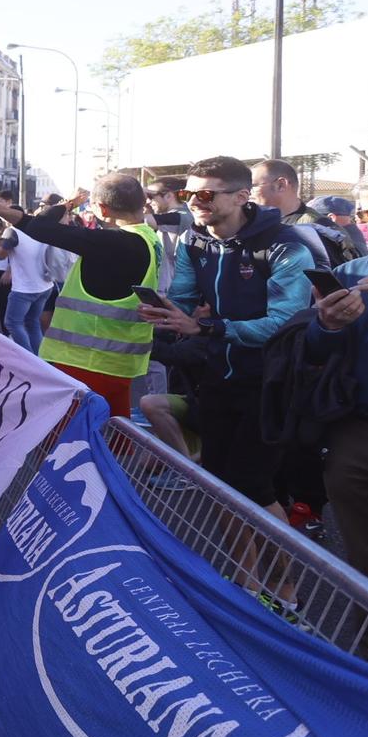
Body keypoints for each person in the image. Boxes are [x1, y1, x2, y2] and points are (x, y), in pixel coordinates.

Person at [141, 156, 314, 520]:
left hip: (274, 382)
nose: (194, 202)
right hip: (219, 375)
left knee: (252, 488)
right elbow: (185, 299)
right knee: (217, 483)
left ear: (241, 197)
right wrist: (164, 315)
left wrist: (208, 328)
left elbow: (283, 324)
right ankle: (243, 577)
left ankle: (281, 579)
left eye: (206, 195)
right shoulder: (194, 240)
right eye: (188, 193)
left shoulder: (284, 244)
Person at [0, 174, 160, 417]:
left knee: (68, 443)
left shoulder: (115, 242)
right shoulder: (147, 237)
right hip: (117, 365)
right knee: (112, 439)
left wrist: (68, 203)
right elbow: (38, 225)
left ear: (102, 209)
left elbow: (41, 226)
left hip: (86, 364)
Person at [306, 173, 368, 577]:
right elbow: (315, 353)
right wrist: (327, 324)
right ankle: (367, 642)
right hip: (357, 433)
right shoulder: (350, 273)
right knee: (363, 565)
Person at [252, 158, 351, 267]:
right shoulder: (259, 225)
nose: (248, 193)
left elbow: (336, 278)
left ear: (281, 185)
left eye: (252, 186)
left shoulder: (318, 228)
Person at [0, 211, 56, 354]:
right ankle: (39, 358)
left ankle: (27, 358)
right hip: (45, 285)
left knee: (12, 323)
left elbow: (0, 255)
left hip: (24, 289)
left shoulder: (13, 232)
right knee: (32, 322)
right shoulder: (41, 230)